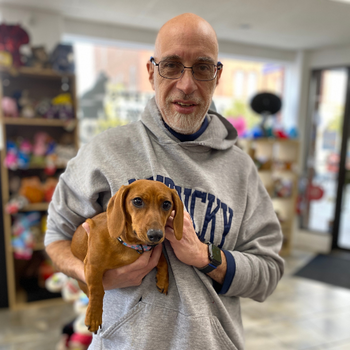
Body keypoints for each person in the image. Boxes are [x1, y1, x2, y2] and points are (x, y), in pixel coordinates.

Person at [45, 13, 284, 350]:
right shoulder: (104, 151)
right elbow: (56, 237)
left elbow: (268, 273)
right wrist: (91, 274)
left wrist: (206, 256)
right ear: (151, 71)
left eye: (202, 67)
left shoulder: (242, 170)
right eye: (171, 65)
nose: (186, 85)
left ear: (216, 76)